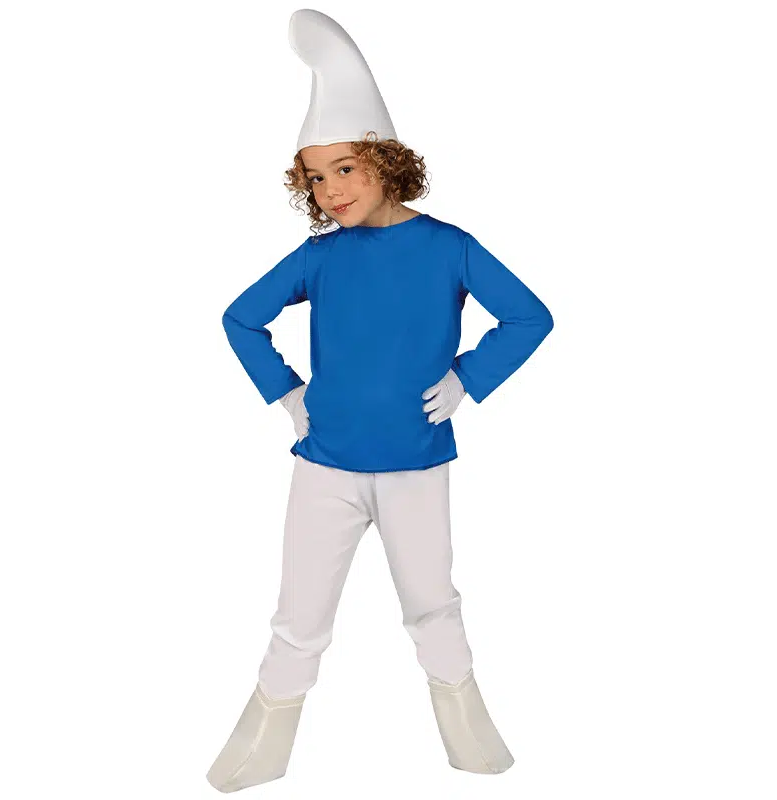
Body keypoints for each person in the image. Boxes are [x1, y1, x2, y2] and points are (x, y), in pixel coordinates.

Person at [205, 9, 554, 793]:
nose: (330, 191)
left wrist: (468, 378)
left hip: (416, 466)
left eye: (345, 169)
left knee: (432, 605)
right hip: (323, 466)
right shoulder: (317, 257)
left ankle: (467, 733)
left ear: (388, 163)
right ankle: (265, 740)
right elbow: (239, 318)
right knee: (299, 615)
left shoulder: (449, 247)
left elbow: (530, 317)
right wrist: (286, 393)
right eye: (315, 177)